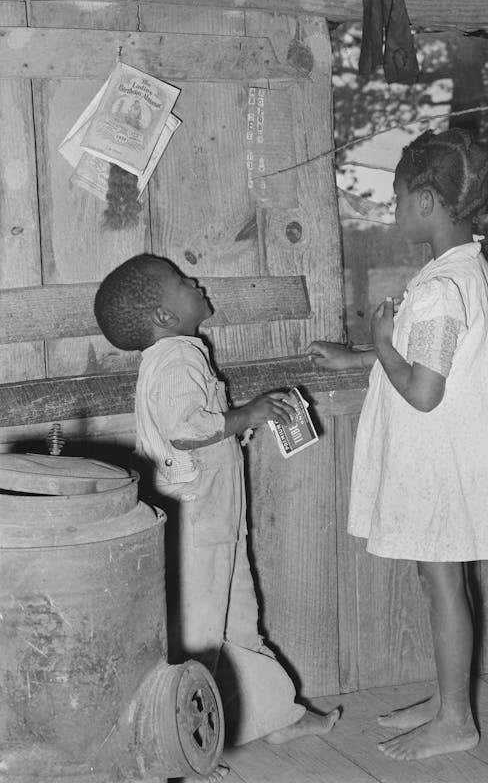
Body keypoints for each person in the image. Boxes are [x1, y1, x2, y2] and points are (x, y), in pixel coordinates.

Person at [309, 128, 488, 761]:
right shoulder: (465, 270)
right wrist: (358, 357)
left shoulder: (434, 290)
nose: (396, 211)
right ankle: (447, 698)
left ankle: (456, 718)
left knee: (443, 582)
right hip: (453, 458)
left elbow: (423, 390)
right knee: (440, 582)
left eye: (398, 199)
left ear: (426, 201)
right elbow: (438, 363)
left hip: (438, 463)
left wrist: (380, 343)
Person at [93, 255, 340, 773]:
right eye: (183, 282)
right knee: (205, 635)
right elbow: (186, 428)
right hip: (200, 527)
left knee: (238, 622)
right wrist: (249, 413)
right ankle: (184, 749)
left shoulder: (175, 356)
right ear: (163, 315)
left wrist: (247, 416)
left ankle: (274, 717)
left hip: (213, 524)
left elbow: (199, 426)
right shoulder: (178, 356)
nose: (196, 282)